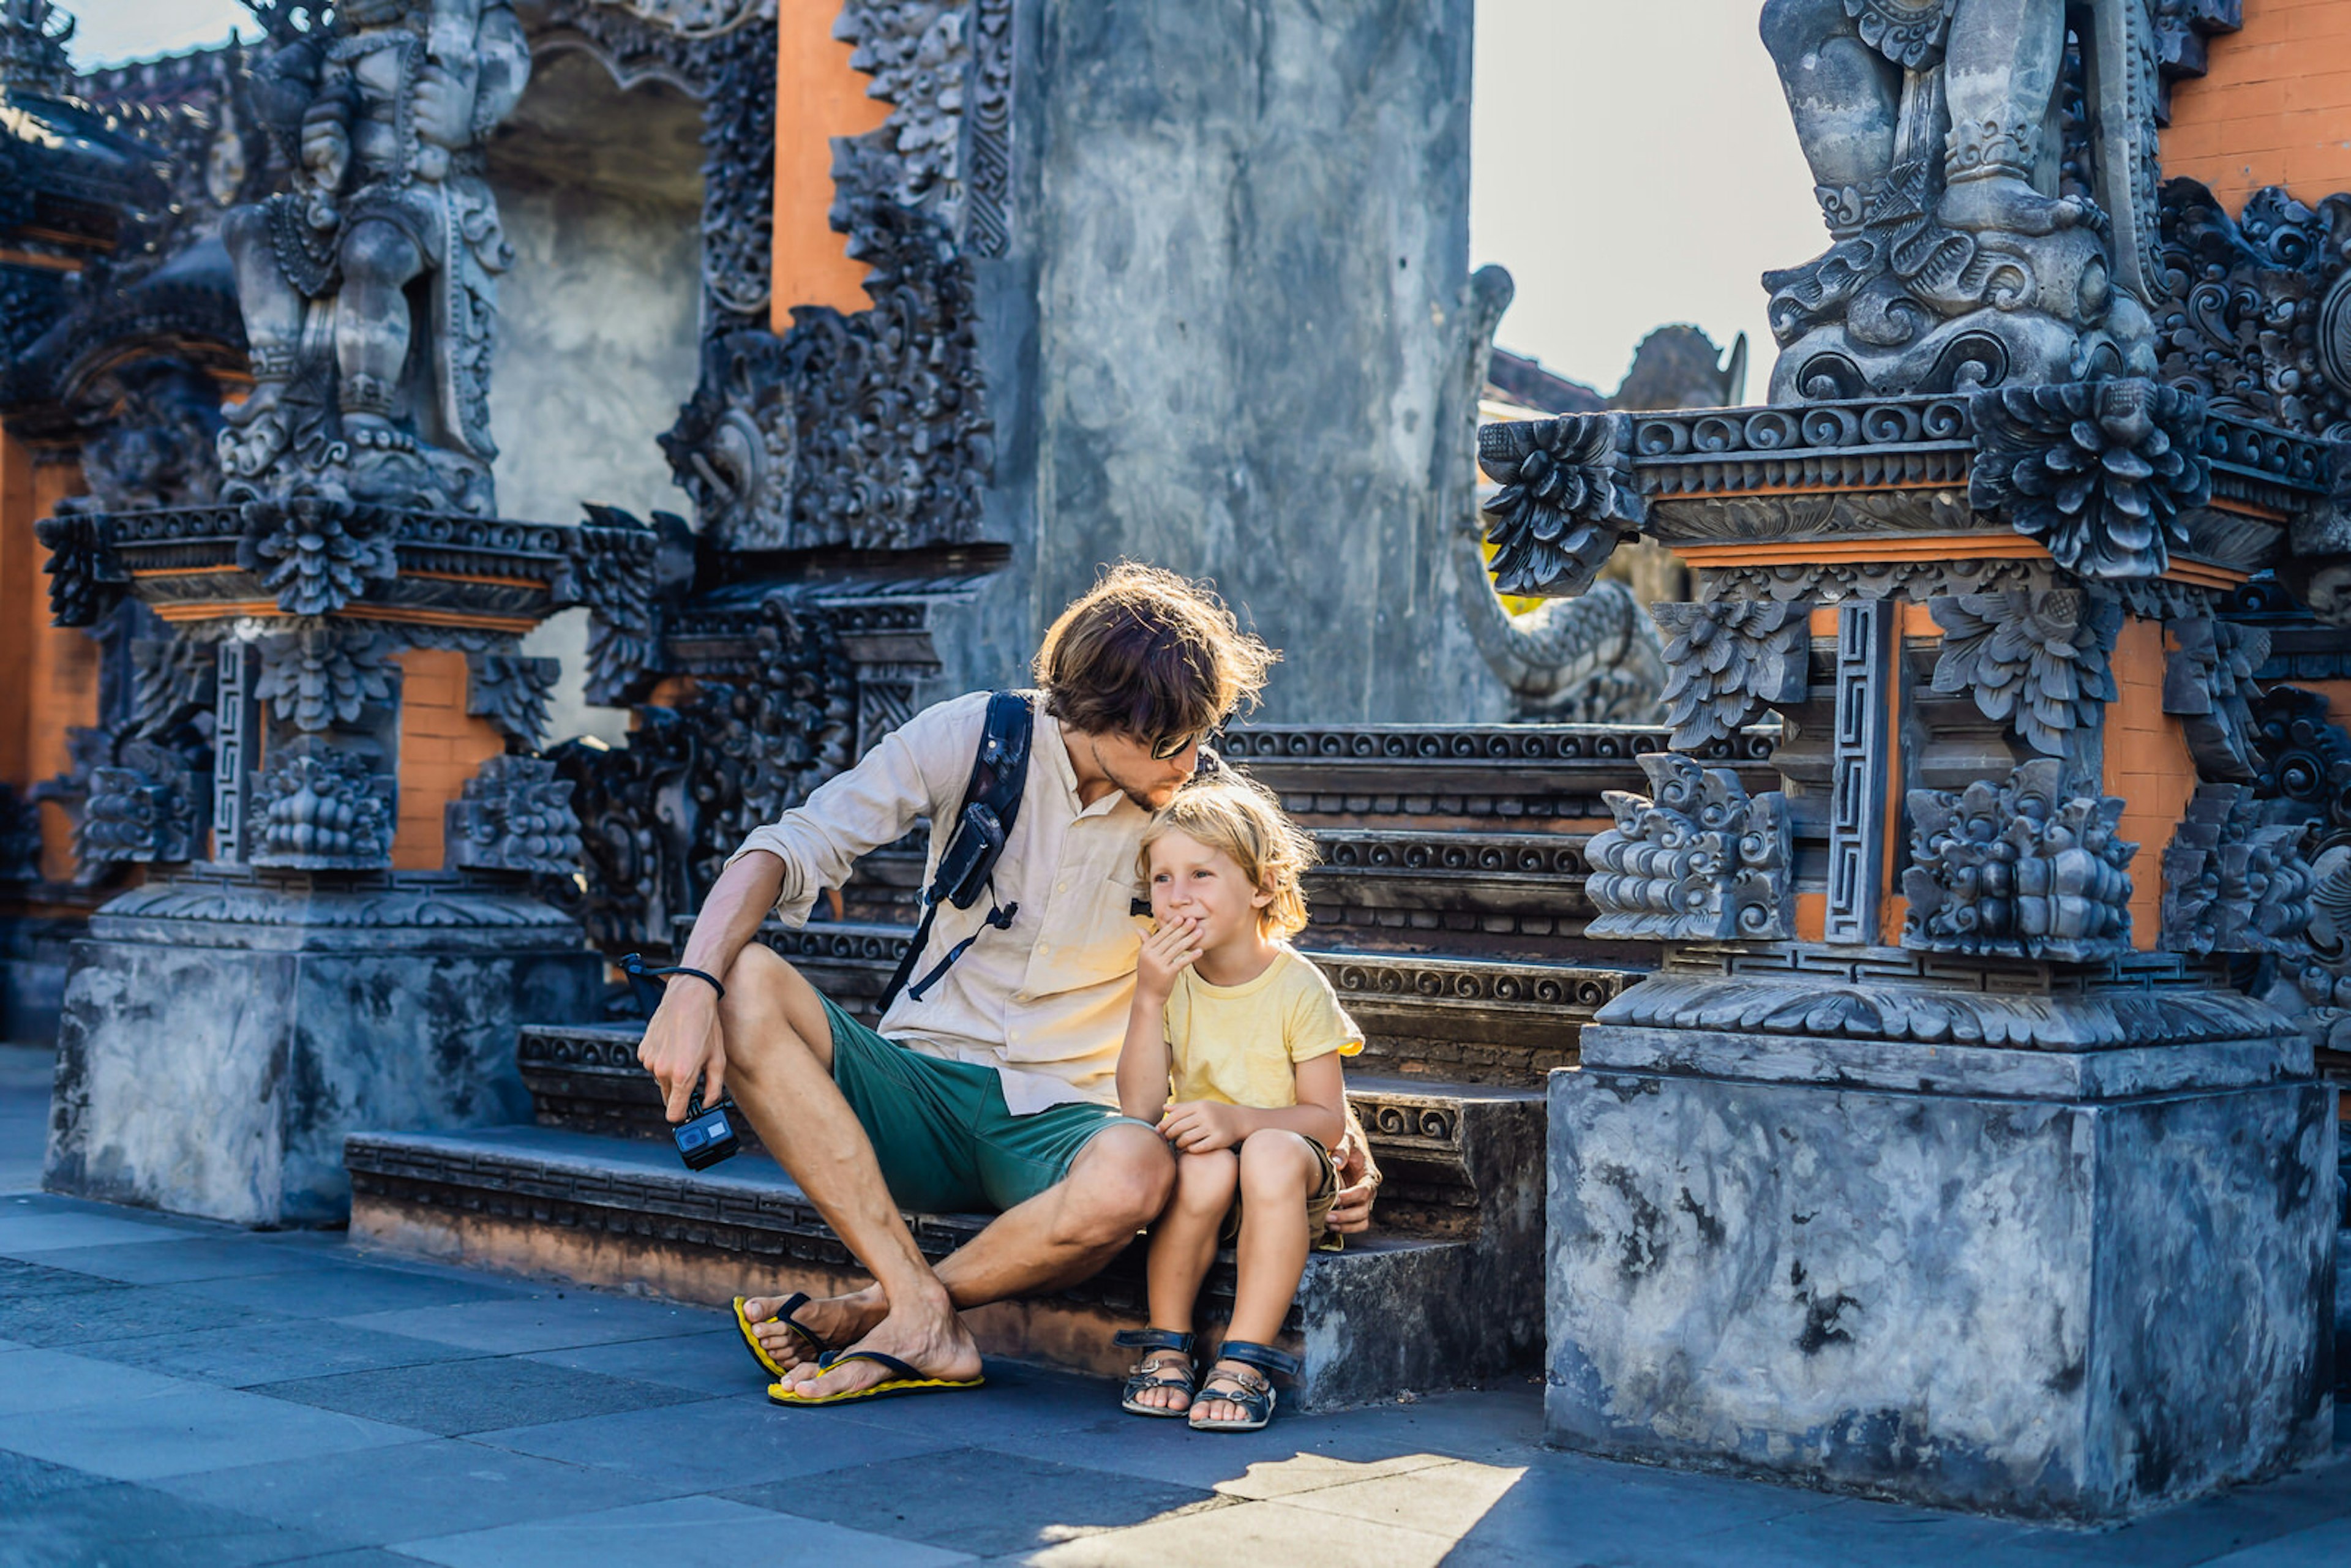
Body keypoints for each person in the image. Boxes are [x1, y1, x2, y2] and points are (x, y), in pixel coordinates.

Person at [635, 563, 1382, 1405]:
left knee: (1140, 1169)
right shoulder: (977, 738)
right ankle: (912, 1303)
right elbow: (790, 843)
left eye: (1199, 734)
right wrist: (692, 982)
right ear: (1103, 717)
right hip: (918, 1088)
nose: (1192, 758)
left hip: (1068, 1118)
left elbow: (1256, 967)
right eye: (1172, 740)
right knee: (743, 979)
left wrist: (1336, 1125)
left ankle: (891, 1312)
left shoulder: (1190, 806)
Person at [1112, 776, 1360, 1432]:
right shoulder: (1169, 982)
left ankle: (1244, 1359)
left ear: (1262, 885)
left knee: (1271, 1152)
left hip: (1285, 1176)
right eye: (1161, 878)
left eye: (1200, 873)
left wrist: (1241, 1120)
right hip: (1208, 1175)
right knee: (1203, 1162)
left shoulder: (1298, 986)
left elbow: (1327, 1122)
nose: (1178, 895)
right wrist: (1148, 999)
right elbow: (1138, 1107)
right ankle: (1166, 1342)